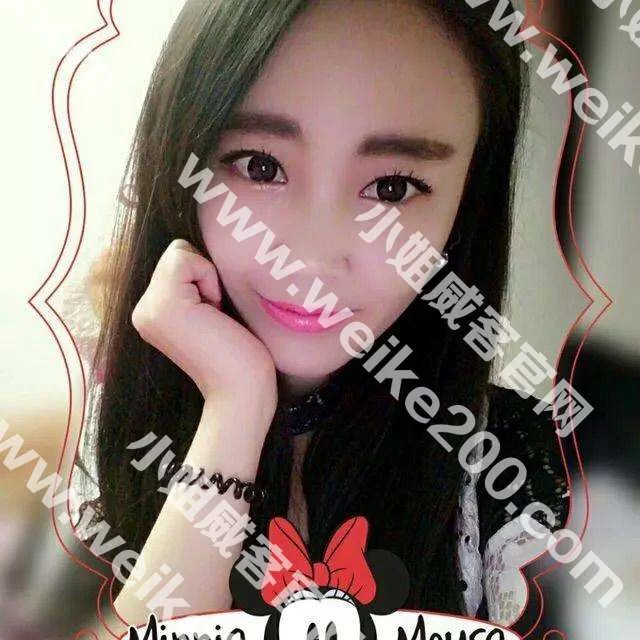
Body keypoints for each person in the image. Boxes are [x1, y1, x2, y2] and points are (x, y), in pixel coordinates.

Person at [73, 0, 569, 632]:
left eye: (391, 188)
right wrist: (235, 408)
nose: (307, 259)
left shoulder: (518, 475)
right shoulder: (106, 430)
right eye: (261, 166)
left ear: (466, 204)